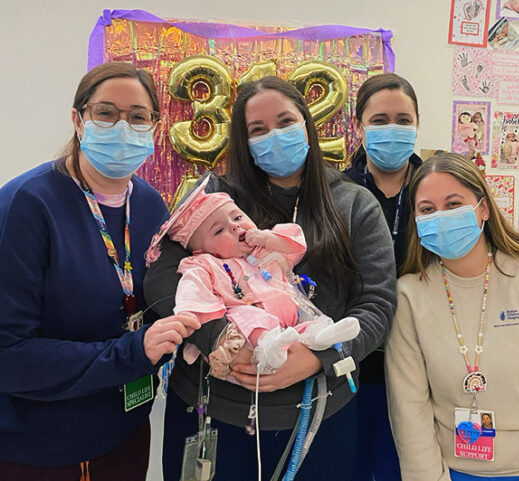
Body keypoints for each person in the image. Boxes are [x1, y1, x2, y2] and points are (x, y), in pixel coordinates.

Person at [144, 75, 396, 481]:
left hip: (319, 417)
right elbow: (161, 278)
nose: (273, 136)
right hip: (212, 415)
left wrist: (319, 358)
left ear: (307, 125)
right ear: (242, 142)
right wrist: (222, 341)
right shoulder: (213, 198)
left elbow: (377, 305)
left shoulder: (353, 203)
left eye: (284, 122)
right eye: (257, 130)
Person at [0, 62, 200, 480]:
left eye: (137, 116)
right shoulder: (26, 205)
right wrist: (131, 353)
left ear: (155, 127)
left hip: (125, 436)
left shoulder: (149, 204)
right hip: (41, 449)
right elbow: (9, 355)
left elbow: (159, 299)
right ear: (78, 119)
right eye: (106, 113)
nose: (123, 127)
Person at [386, 152, 519, 481]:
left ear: (483, 208)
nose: (441, 216)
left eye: (454, 203)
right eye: (427, 209)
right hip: (452, 472)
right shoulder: (410, 295)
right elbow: (409, 407)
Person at [145, 179, 360, 377]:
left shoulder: (263, 250)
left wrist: (269, 238)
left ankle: (321, 335)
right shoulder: (205, 264)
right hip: (250, 328)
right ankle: (270, 348)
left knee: (303, 323)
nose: (235, 226)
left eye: (238, 217)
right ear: (201, 250)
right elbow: (192, 293)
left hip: (288, 320)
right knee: (251, 317)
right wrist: (196, 318)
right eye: (219, 231)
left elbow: (296, 245)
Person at [344, 72, 422, 481]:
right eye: (379, 120)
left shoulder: (438, 190)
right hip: (352, 371)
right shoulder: (336, 192)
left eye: (403, 120)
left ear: (416, 125)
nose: (392, 129)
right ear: (358, 126)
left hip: (421, 368)